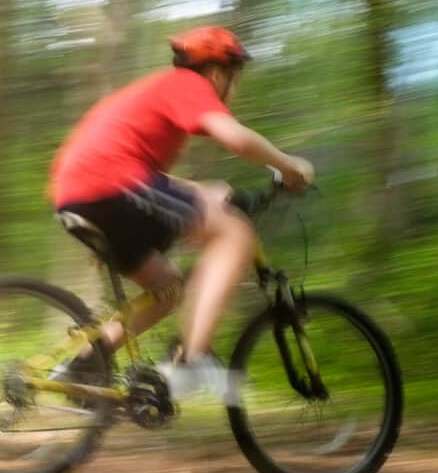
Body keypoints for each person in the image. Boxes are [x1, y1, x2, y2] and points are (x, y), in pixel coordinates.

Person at [48, 26, 314, 397]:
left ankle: (83, 366)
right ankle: (192, 360)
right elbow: (236, 139)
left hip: (80, 193)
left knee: (168, 290)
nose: (233, 92)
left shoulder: (156, 92)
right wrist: (289, 166)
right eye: (234, 81)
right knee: (235, 233)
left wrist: (205, 192)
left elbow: (150, 179)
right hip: (109, 185)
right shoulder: (189, 85)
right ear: (218, 74)